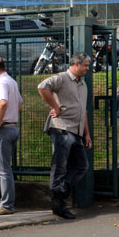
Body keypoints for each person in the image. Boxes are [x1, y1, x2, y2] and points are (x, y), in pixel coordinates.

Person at [38, 52, 92, 220]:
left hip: (76, 131)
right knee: (60, 167)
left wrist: (87, 134)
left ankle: (59, 192)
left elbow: (83, 111)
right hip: (61, 128)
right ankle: (58, 205)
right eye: (85, 66)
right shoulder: (61, 78)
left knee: (82, 166)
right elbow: (42, 87)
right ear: (75, 64)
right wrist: (56, 106)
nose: (87, 69)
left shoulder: (83, 85)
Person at [0, 56, 23, 216]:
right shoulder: (12, 81)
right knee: (6, 168)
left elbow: (3, 102)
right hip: (12, 127)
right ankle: (8, 203)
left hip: (3, 130)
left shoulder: (1, 83)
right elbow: (20, 103)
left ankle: (6, 204)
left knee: (3, 170)